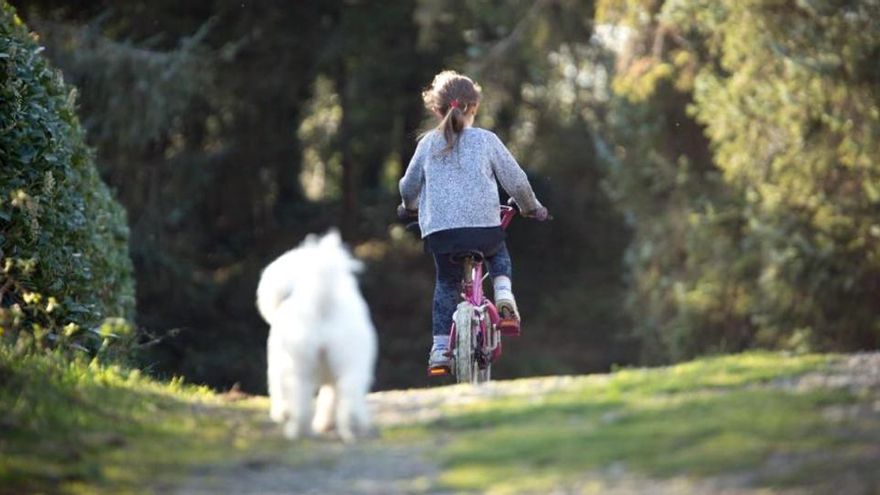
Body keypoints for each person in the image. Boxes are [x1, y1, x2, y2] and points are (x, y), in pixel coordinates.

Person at [398, 70, 549, 373]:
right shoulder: (486, 141)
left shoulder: (427, 144)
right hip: (483, 230)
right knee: (498, 252)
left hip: (441, 234)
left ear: (436, 109)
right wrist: (531, 207)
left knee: (446, 282)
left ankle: (440, 349)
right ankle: (504, 295)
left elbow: (408, 185)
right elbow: (517, 182)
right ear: (475, 107)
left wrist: (409, 206)